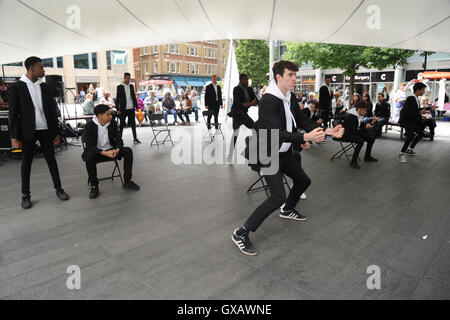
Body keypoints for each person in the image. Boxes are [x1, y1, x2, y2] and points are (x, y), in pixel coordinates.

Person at [231, 60, 344, 256]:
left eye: (295, 75)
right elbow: (278, 132)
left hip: (281, 150)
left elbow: (301, 120)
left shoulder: (289, 97)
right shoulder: (268, 100)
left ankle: (287, 209)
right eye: (290, 75)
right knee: (277, 196)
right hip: (266, 151)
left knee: (303, 180)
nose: (294, 79)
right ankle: (241, 233)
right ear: (278, 77)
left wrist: (327, 131)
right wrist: (304, 138)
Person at [8, 56, 69, 209]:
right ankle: (25, 195)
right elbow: (13, 114)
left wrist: (56, 132)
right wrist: (14, 137)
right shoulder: (17, 87)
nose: (43, 70)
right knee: (26, 163)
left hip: (45, 130)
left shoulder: (44, 87)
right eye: (41, 67)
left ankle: (59, 189)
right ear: (31, 69)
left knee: (51, 160)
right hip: (27, 131)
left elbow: (51, 112)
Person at [82, 104, 140, 199]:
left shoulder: (112, 123)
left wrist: (117, 150)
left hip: (112, 150)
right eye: (108, 114)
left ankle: (127, 181)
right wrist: (104, 153)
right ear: (100, 116)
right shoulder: (90, 125)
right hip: (98, 152)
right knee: (89, 157)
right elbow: (89, 145)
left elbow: (118, 139)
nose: (111, 116)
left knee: (128, 151)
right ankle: (94, 186)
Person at [227, 74, 259, 160]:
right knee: (235, 134)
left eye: (247, 79)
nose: (247, 81)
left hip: (244, 115)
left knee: (256, 128)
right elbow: (239, 103)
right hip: (237, 115)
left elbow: (255, 100)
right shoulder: (236, 89)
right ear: (241, 80)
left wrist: (263, 104)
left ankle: (251, 148)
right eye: (245, 79)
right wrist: (251, 104)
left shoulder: (249, 89)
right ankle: (230, 154)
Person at [341, 101, 378, 169]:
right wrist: (365, 129)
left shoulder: (358, 115)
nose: (366, 112)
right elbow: (355, 131)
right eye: (364, 110)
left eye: (366, 110)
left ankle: (367, 156)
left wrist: (370, 124)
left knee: (371, 138)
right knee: (360, 141)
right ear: (359, 109)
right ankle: (353, 161)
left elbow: (360, 127)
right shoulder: (351, 117)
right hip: (345, 135)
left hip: (353, 133)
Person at [398, 82, 427, 163]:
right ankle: (401, 154)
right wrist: (420, 113)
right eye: (423, 89)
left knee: (421, 133)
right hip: (406, 120)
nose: (424, 91)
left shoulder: (415, 98)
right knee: (411, 135)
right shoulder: (411, 98)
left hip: (411, 120)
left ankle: (410, 150)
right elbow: (409, 112)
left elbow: (415, 110)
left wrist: (429, 108)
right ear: (418, 90)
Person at [116, 73, 141, 144]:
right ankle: (119, 140)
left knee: (133, 124)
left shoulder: (131, 86)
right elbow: (118, 99)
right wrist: (118, 109)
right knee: (121, 125)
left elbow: (133, 96)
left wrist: (136, 106)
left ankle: (135, 138)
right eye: (127, 78)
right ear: (124, 78)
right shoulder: (120, 87)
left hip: (131, 108)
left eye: (129, 78)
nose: (128, 80)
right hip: (123, 109)